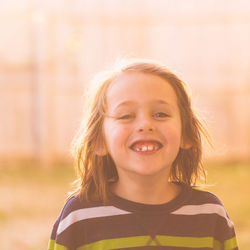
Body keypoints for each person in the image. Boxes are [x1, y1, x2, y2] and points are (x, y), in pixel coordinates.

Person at [48, 59, 238, 250]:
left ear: (186, 134)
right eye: (126, 116)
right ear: (99, 140)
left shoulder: (210, 215)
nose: (145, 124)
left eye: (160, 114)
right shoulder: (79, 217)